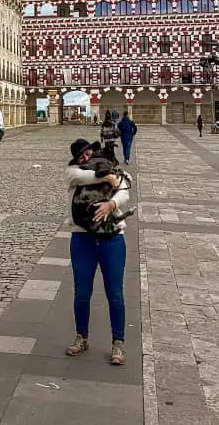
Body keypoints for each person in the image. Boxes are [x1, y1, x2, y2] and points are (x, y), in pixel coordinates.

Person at [65, 138, 130, 365]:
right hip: (82, 238)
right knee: (82, 293)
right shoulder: (74, 171)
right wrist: (106, 177)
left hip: (112, 239)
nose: (85, 157)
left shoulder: (111, 165)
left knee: (115, 294)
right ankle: (82, 337)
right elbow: (77, 177)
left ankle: (118, 343)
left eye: (87, 153)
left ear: (93, 151)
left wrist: (110, 205)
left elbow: (124, 192)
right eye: (81, 155)